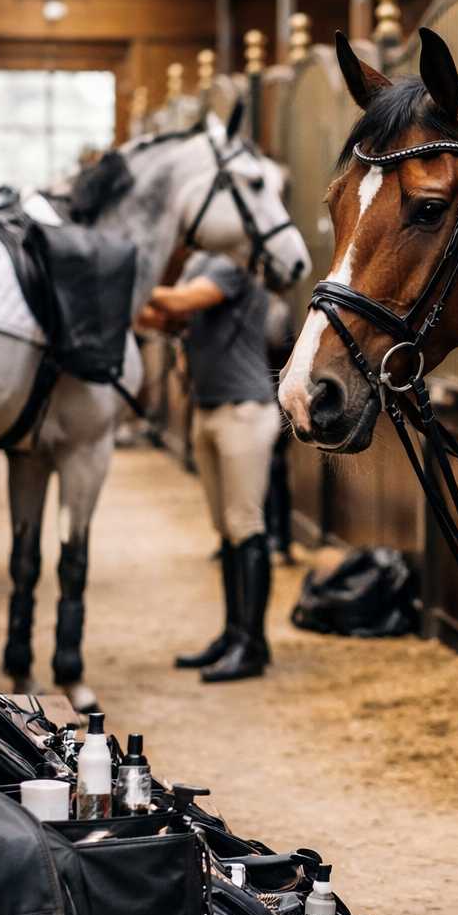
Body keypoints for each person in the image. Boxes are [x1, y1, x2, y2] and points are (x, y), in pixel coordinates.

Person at [139, 252, 280, 683]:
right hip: (209, 408)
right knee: (227, 530)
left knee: (246, 526)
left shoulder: (232, 260)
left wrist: (126, 280)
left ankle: (251, 645)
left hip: (244, 411)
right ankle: (233, 634)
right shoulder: (198, 261)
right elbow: (168, 317)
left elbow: (182, 303)